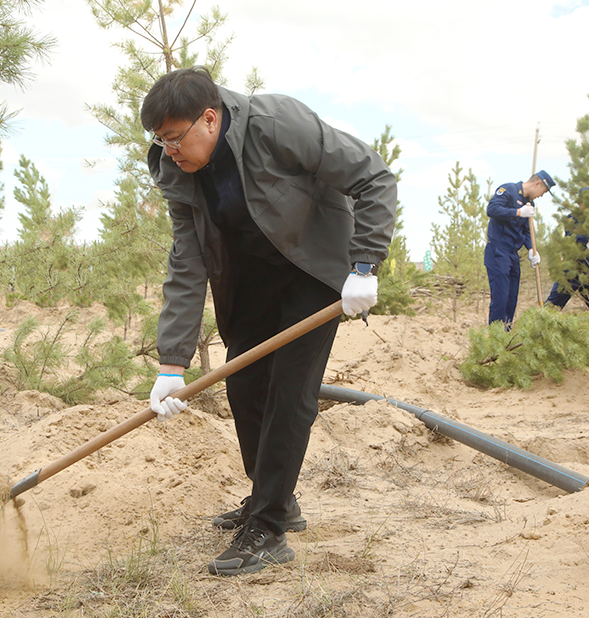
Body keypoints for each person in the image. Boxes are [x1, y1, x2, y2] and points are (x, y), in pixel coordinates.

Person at [140, 67, 397, 576]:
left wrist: (365, 264)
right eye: (159, 140)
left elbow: (373, 176)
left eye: (173, 138)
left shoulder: (277, 123)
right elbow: (186, 260)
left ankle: (269, 527)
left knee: (289, 392)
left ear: (209, 120)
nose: (168, 151)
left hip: (313, 270)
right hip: (249, 276)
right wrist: (172, 362)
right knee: (245, 384)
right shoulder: (175, 170)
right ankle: (272, 496)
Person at [483, 170, 555, 327]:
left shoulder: (529, 204)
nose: (541, 196)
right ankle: (495, 340)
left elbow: (525, 230)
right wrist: (517, 212)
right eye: (543, 191)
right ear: (537, 184)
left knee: (511, 299)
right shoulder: (508, 190)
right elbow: (492, 210)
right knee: (500, 298)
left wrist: (531, 249)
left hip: (513, 254)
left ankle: (506, 336)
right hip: (498, 251)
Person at [544, 190, 589, 320]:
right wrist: (588, 243)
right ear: (579, 202)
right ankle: (541, 325)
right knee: (553, 305)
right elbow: (573, 238)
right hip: (571, 269)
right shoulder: (571, 218)